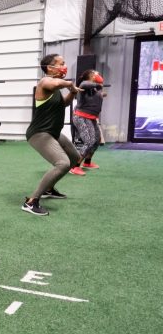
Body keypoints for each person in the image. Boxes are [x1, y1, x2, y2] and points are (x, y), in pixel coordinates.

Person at [21, 54, 83, 216]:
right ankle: (31, 202)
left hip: (53, 132)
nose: (64, 66)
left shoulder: (55, 90)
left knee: (75, 158)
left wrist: (73, 92)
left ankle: (48, 188)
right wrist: (69, 84)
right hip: (39, 133)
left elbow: (64, 104)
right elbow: (56, 83)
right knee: (63, 163)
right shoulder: (45, 82)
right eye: (61, 64)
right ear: (50, 68)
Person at [69, 69, 106, 176]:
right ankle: (74, 166)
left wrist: (101, 94)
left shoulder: (94, 88)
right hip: (81, 117)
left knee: (96, 140)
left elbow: (93, 97)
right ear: (91, 76)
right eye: (96, 73)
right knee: (89, 141)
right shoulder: (84, 84)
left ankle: (87, 162)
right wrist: (99, 86)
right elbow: (84, 84)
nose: (98, 75)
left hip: (91, 118)